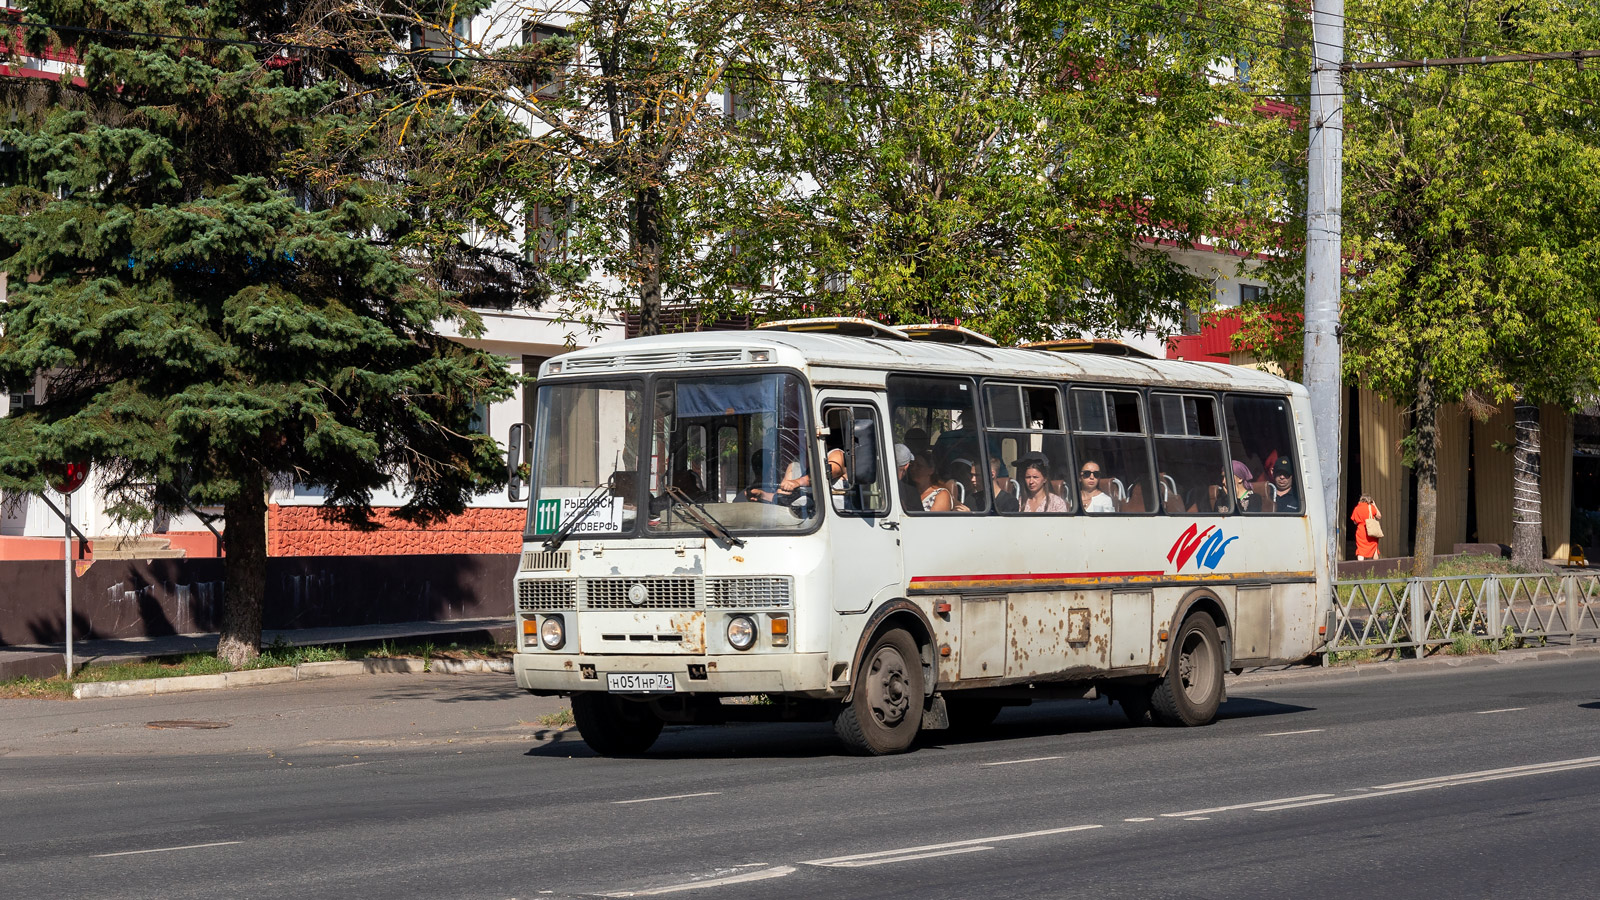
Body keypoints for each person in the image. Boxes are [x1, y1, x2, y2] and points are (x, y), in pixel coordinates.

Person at [1352, 493, 1382, 559]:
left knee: (1361, 550)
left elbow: (1355, 522)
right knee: (1374, 548)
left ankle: (1361, 567)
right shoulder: (1371, 507)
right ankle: (1375, 566)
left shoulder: (1357, 508)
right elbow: (1379, 516)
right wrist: (1374, 505)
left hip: (1361, 531)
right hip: (1371, 530)